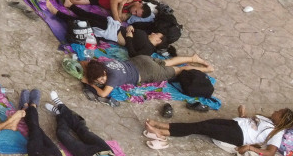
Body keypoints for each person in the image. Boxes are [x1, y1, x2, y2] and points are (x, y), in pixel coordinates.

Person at [144, 105, 293, 156]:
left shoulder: (277, 133)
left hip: (239, 136)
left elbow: (271, 153)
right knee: (203, 123)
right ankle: (163, 127)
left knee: (201, 128)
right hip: (237, 124)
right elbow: (253, 127)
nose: (275, 111)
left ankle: (161, 131)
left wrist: (249, 147)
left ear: (281, 120)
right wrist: (243, 115)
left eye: (278, 112)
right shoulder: (267, 120)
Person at [80, 54, 213, 100]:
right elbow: (85, 62)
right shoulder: (103, 64)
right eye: (100, 81)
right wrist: (90, 73)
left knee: (181, 70)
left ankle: (206, 69)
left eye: (102, 78)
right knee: (167, 62)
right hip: (141, 60)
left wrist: (89, 83)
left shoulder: (113, 78)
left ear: (104, 73)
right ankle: (193, 58)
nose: (103, 81)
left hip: (148, 72)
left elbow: (103, 94)